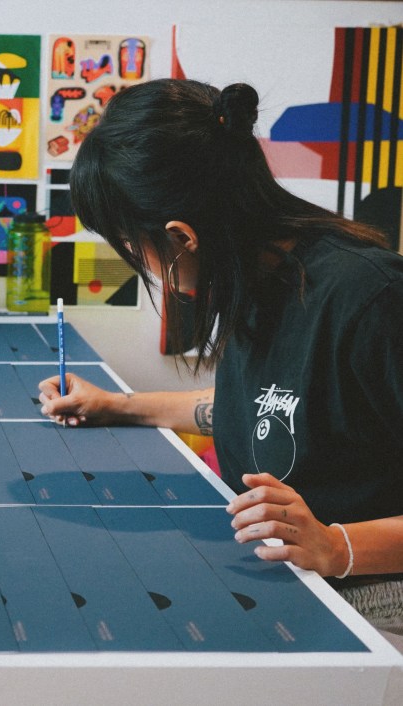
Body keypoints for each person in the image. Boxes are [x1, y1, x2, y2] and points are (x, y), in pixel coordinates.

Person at [38, 78, 403, 644]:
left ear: (181, 238)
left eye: (131, 247)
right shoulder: (261, 276)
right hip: (286, 569)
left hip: (367, 594)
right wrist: (118, 406)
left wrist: (336, 546)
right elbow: (263, 406)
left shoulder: (373, 300)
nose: (140, 264)